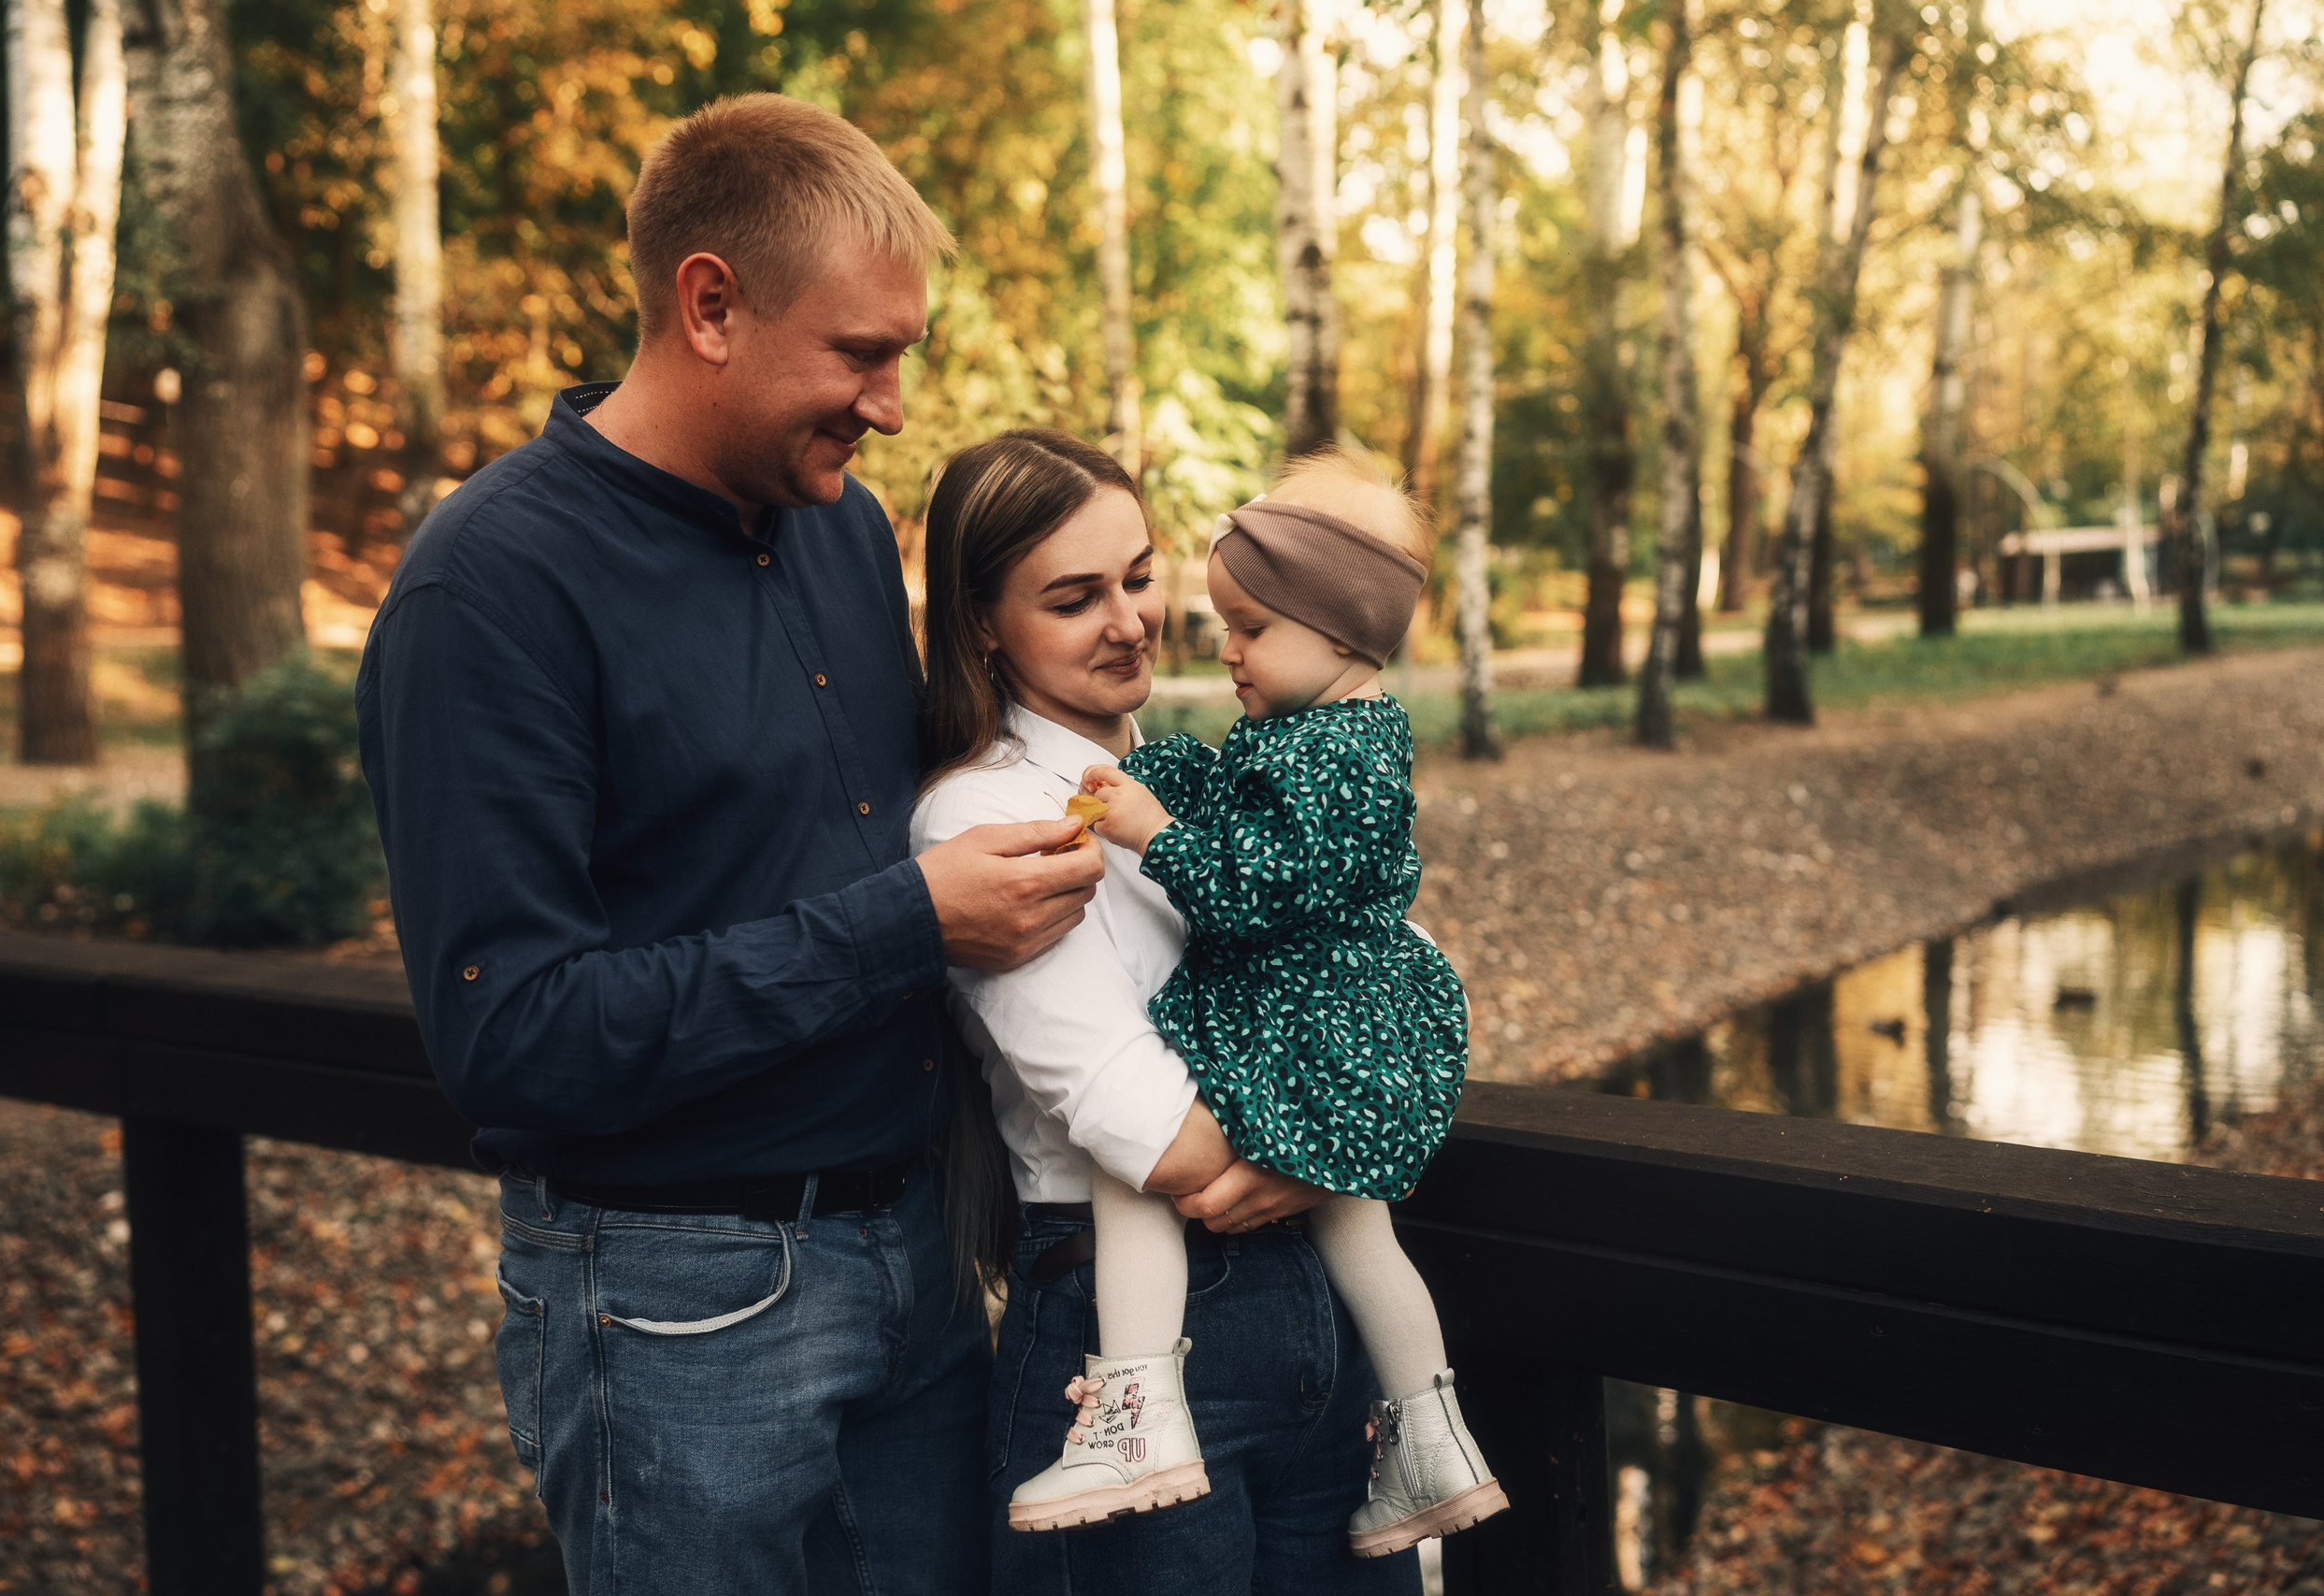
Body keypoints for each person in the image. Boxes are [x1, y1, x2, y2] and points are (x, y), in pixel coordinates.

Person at [356, 96, 1108, 1595]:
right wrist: (912, 921)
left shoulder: (841, 525)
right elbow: (513, 1037)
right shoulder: (489, 592)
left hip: (920, 1256)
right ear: (709, 304)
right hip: (678, 1307)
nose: (892, 404)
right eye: (860, 354)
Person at [908, 429, 1427, 1594]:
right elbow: (1150, 1129)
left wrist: (1345, 1108)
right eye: (1074, 596)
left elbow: (1391, 962)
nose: (1131, 619)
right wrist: (1339, 1132)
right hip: (1117, 1324)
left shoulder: (1201, 778)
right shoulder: (987, 816)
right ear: (985, 622)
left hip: (1314, 1313)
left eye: (1139, 576)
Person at [1056, 449, 1506, 1557]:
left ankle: (1136, 1405)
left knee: (1126, 1174)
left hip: (1298, 1018)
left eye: (1250, 628)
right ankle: (1430, 1439)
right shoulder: (1336, 738)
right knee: (1361, 1232)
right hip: (1342, 1019)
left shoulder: (1325, 761)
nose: (1225, 647)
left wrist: (1151, 831)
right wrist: (1168, 778)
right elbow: (1236, 786)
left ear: (1343, 634)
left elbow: (1256, 887)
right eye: (1223, 621)